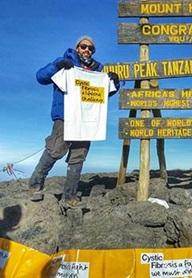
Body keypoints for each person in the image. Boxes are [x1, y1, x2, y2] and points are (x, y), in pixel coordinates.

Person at [28, 35, 120, 208]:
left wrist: (114, 83)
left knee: (78, 156)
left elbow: (101, 95)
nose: (87, 50)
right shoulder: (65, 63)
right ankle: (34, 185)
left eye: (91, 48)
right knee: (55, 150)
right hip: (65, 116)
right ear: (77, 48)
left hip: (87, 120)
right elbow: (40, 77)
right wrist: (57, 66)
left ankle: (69, 196)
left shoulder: (98, 72)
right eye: (84, 46)